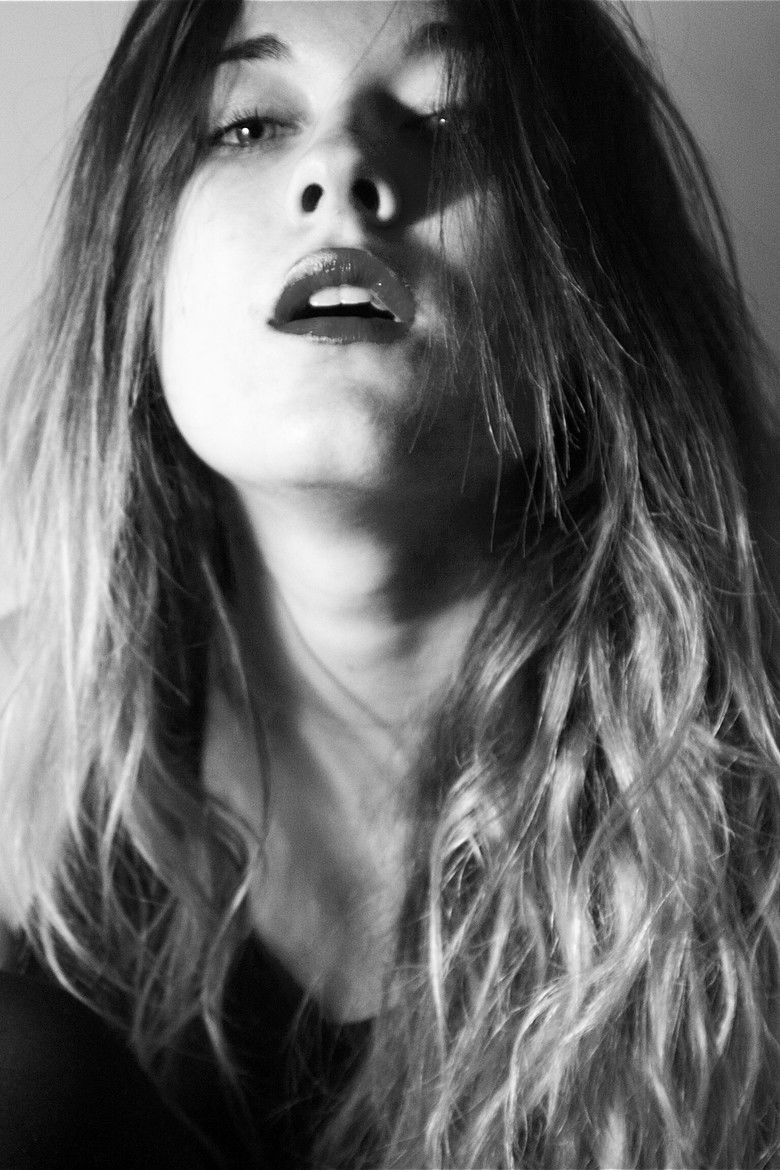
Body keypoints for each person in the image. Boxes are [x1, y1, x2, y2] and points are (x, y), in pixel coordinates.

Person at [1, 1, 778, 1166]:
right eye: (251, 124)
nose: (344, 170)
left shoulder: (753, 801)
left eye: (455, 118)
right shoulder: (15, 747)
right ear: (134, 276)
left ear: (589, 297)